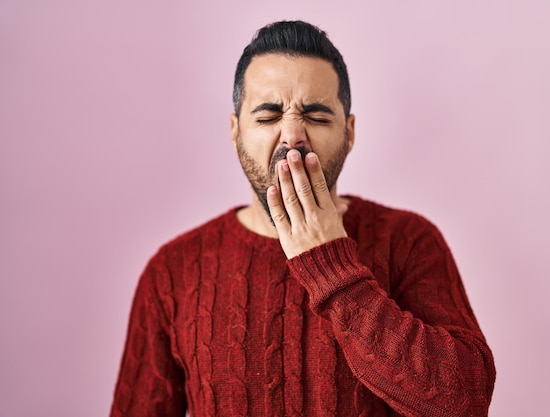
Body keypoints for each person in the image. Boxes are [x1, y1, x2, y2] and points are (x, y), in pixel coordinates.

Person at [110, 20, 496, 417]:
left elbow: (465, 403)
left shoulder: (410, 240)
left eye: (316, 116)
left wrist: (330, 263)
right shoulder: (173, 271)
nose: (292, 134)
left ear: (349, 132)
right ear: (235, 130)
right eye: (267, 116)